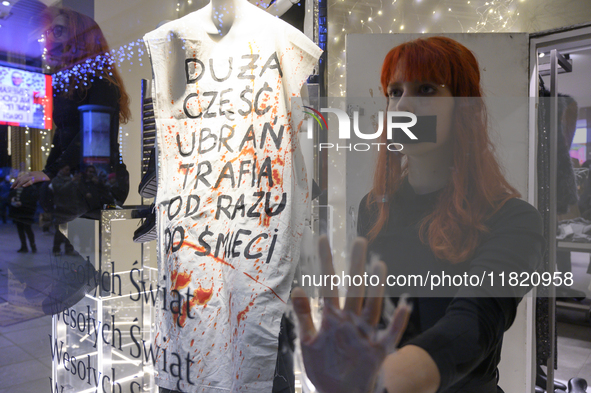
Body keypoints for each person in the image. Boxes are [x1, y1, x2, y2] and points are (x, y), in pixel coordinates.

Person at [292, 37, 545, 393]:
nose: (403, 106)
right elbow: (374, 321)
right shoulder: (373, 209)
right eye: (394, 92)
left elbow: (475, 321)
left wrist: (385, 379)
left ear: (464, 107)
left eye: (426, 89)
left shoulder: (514, 219)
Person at [11, 6, 130, 218]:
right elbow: (61, 136)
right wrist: (46, 173)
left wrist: (50, 173)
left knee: (32, 198)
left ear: (81, 38)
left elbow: (89, 137)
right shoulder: (67, 86)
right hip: (75, 177)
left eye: (58, 31)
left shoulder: (102, 83)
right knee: (26, 192)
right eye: (48, 32)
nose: (50, 38)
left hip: (103, 181)